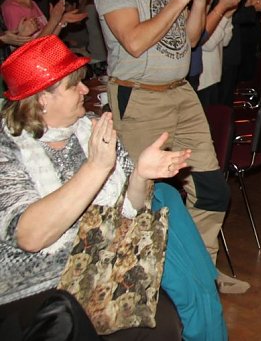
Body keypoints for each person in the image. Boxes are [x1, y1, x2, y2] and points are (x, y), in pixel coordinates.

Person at [94, 0, 247, 294]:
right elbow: (134, 41)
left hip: (181, 93)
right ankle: (148, 283)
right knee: (142, 195)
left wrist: (198, 1)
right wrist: (179, 0)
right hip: (141, 98)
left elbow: (191, 39)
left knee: (212, 188)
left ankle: (201, 273)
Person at [0, 35, 191, 338]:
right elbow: (31, 236)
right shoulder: (7, 148)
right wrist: (95, 168)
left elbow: (135, 207)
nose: (85, 89)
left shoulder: (89, 127)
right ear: (41, 99)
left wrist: (141, 174)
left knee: (163, 323)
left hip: (102, 267)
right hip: (35, 289)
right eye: (73, 85)